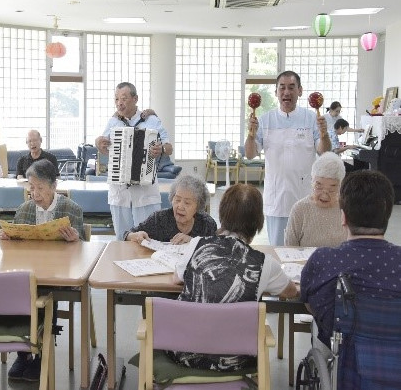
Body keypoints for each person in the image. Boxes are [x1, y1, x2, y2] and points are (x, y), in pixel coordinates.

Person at [169, 183, 298, 371]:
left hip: (186, 355)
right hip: (237, 362)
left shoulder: (197, 245)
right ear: (258, 222)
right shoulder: (264, 263)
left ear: (222, 215)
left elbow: (176, 279)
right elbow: (291, 291)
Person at [0, 159, 84, 381]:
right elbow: (14, 247)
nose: (34, 194)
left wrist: (76, 240)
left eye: (40, 188)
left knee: (46, 291)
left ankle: (42, 352)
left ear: (54, 186)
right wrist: (6, 237)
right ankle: (23, 352)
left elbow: (82, 250)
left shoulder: (71, 209)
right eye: (31, 187)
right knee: (19, 287)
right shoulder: (24, 209)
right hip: (29, 270)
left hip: (58, 273)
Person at [300, 171, 401, 353]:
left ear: (343, 216)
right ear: (387, 215)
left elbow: (309, 304)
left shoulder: (323, 259)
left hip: (345, 359)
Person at [244, 70, 331, 246]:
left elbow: (323, 151)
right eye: (282, 87)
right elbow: (250, 153)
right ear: (276, 92)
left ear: (300, 90)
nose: (286, 92)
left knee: (306, 249)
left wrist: (323, 135)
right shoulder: (265, 120)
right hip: (277, 200)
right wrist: (251, 135)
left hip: (306, 196)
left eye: (292, 87)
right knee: (279, 249)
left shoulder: (311, 118)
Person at [95, 82, 173, 240]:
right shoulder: (113, 122)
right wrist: (99, 143)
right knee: (122, 238)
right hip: (119, 190)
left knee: (149, 238)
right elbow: (103, 145)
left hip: (145, 190)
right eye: (116, 99)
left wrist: (162, 150)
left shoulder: (151, 120)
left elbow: (169, 147)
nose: (119, 103)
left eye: (123, 98)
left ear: (135, 99)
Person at [124, 173, 216, 244]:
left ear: (198, 206)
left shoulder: (207, 224)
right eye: (177, 200)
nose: (180, 206)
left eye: (187, 203)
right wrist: (135, 235)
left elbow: (217, 249)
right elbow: (127, 235)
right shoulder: (159, 219)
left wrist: (193, 242)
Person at [284, 152, 347, 248]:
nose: (325, 195)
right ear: (311, 181)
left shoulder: (347, 209)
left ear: (340, 187)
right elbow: (290, 247)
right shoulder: (300, 209)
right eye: (319, 187)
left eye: (331, 189)